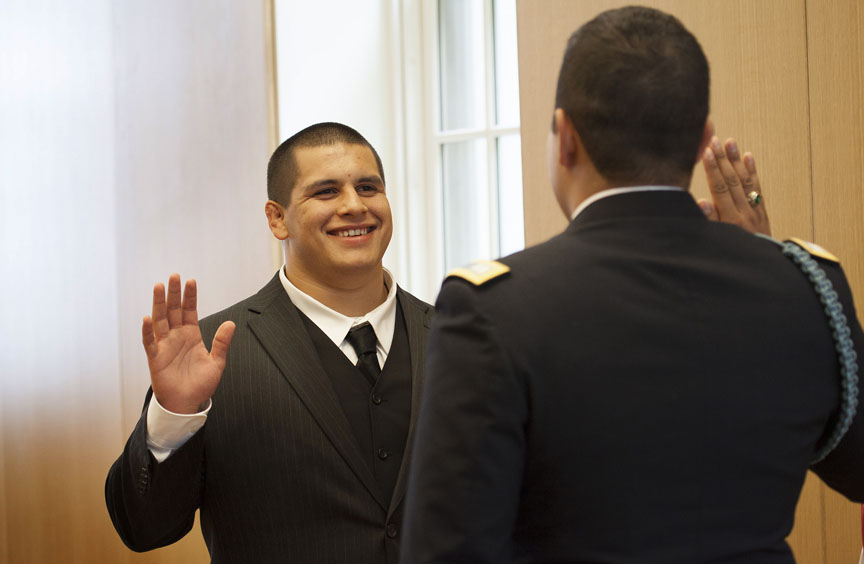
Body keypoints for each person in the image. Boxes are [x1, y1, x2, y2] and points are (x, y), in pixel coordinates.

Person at [401, 6, 864, 564]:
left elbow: (448, 551)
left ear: (565, 137)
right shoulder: (810, 289)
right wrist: (767, 262)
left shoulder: (492, 310)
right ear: (702, 141)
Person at [105, 122, 433, 563]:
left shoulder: (459, 337)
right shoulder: (211, 351)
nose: (355, 206)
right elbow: (144, 528)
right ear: (277, 218)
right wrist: (174, 418)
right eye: (326, 192)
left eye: (368, 187)